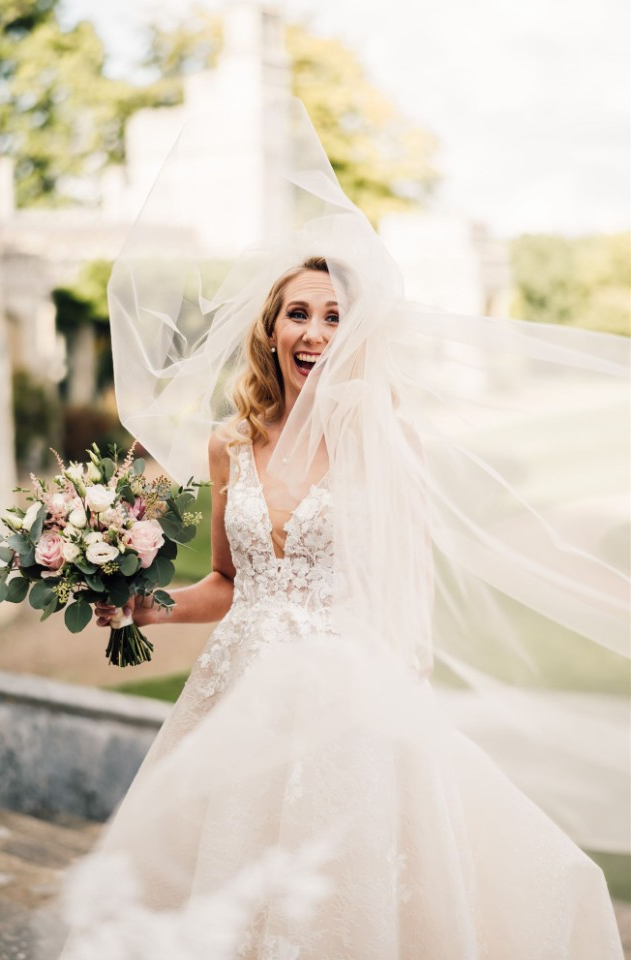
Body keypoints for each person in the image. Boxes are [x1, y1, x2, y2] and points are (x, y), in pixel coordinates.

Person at [45, 102, 628, 959]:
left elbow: (410, 590)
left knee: (337, 902)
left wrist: (398, 697)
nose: (313, 332)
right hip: (237, 694)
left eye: (332, 316)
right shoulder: (229, 444)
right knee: (222, 887)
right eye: (297, 313)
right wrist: (140, 607)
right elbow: (230, 585)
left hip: (345, 703)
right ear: (270, 329)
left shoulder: (383, 442)